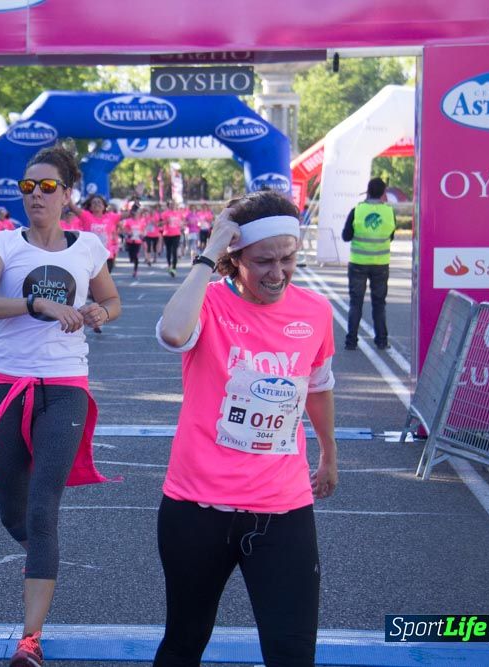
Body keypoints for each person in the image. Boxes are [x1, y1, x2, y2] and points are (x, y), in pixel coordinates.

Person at [155, 190, 337, 667]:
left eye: (288, 259)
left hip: (282, 507)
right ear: (235, 258)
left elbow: (316, 386)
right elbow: (173, 333)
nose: (277, 273)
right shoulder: (208, 303)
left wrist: (329, 453)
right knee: (183, 643)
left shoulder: (315, 312)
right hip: (197, 506)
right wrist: (208, 251)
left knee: (292, 653)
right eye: (262, 262)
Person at [0, 146, 122, 667]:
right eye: (28, 187)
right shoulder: (4, 245)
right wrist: (37, 303)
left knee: (42, 505)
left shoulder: (89, 246)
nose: (35, 195)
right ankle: (43, 553)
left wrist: (100, 310)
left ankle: (29, 640)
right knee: (14, 511)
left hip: (66, 385)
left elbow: (113, 302)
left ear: (67, 193)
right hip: (6, 384)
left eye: (47, 187)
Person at [342, 177, 396, 351]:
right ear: (383, 193)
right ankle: (381, 340)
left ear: (368, 191)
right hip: (381, 264)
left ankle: (351, 341)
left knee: (355, 303)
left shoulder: (357, 211)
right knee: (379, 303)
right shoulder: (389, 212)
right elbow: (391, 237)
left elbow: (346, 236)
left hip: (358, 263)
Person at [71, 194, 120, 274]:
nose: (97, 204)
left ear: (104, 206)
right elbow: (72, 207)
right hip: (90, 257)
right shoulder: (86, 216)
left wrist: (136, 203)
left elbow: (131, 214)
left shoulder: (111, 217)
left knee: (104, 285)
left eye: (99, 202)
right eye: (94, 202)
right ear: (90, 207)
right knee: (91, 284)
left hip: (106, 257)